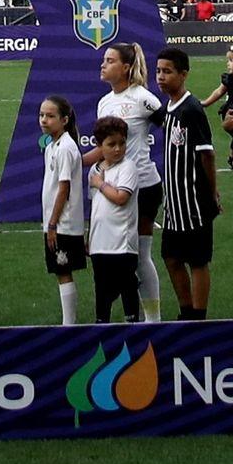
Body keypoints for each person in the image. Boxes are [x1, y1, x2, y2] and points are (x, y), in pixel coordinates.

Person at [94, 40, 165, 317]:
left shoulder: (142, 97)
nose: (103, 64)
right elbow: (103, 149)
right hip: (112, 187)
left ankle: (152, 319)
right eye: (104, 60)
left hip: (143, 186)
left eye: (110, 61)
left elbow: (171, 126)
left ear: (125, 67)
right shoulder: (104, 103)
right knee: (122, 258)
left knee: (139, 255)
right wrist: (73, 162)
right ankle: (128, 314)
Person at [152, 49, 218, 319]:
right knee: (171, 256)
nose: (161, 77)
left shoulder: (192, 109)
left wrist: (211, 191)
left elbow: (207, 153)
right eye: (158, 71)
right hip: (174, 203)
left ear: (183, 74)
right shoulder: (168, 107)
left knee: (198, 260)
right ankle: (186, 309)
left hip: (193, 200)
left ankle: (198, 315)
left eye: (167, 71)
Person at [85, 116, 143, 321]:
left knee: (127, 286)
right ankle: (102, 325)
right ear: (99, 146)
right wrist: (89, 238)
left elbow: (120, 197)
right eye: (111, 144)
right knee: (101, 289)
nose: (118, 149)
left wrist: (100, 184)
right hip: (100, 243)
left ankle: (132, 323)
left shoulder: (128, 167)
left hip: (122, 244)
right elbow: (96, 207)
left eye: (122, 143)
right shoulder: (95, 170)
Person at [40, 94, 88, 324]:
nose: (44, 120)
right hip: (58, 222)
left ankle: (69, 324)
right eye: (41, 115)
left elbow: (64, 188)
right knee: (60, 271)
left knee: (63, 270)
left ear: (64, 120)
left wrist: (52, 224)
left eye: (50, 116)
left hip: (63, 223)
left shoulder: (66, 147)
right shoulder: (53, 145)